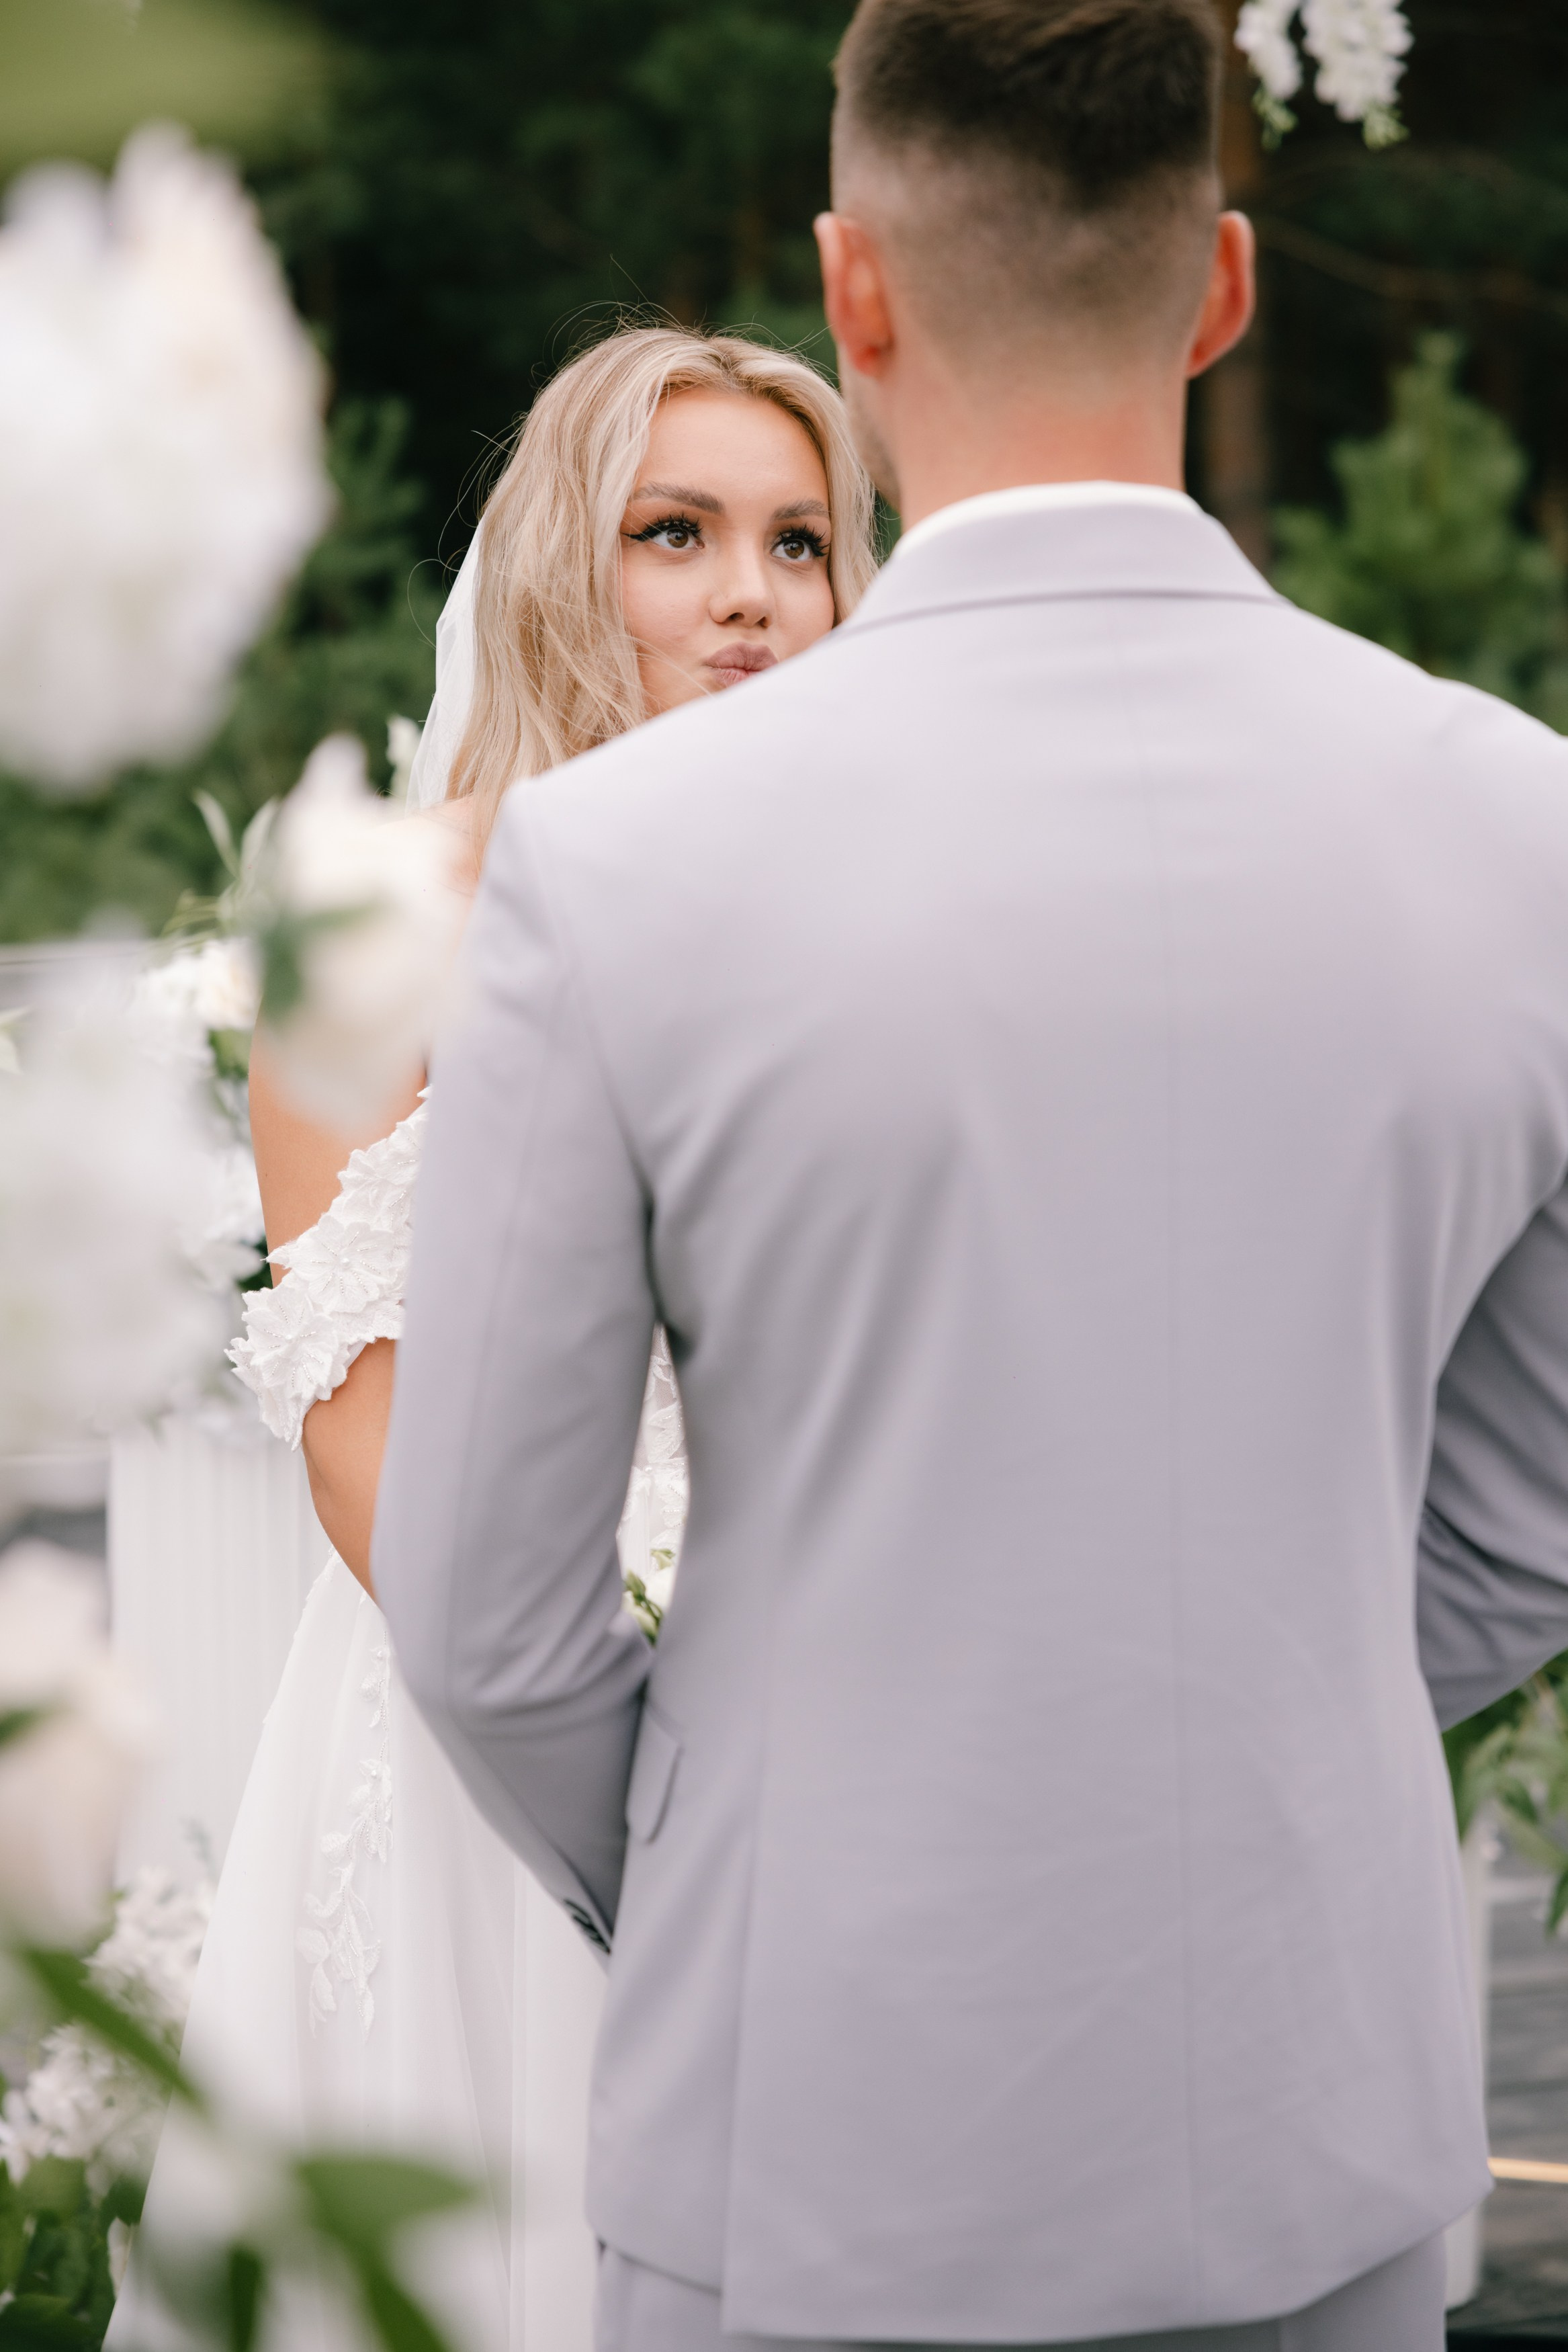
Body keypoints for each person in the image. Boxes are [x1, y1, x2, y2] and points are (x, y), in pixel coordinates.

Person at [374, 3, 1568, 2349]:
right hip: (1318, 2143)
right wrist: (1244, 1735)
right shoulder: (1522, 822)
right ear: (1221, 288)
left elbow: (487, 1625)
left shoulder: (618, 868)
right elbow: (1532, 1502)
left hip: (803, 2153)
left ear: (855, 291)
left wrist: (779, 1866)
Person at [110, 325, 876, 2352]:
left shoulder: (867, 919)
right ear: (559, 561)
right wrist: (639, 1783)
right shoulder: (387, 925)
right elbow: (356, 1440)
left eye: (800, 543)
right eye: (678, 531)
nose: (750, 591)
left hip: (838, 1745)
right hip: (489, 1756)